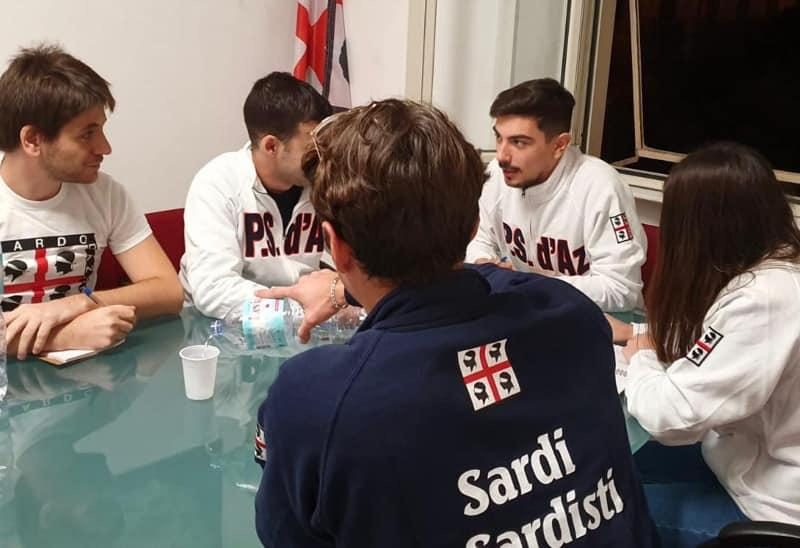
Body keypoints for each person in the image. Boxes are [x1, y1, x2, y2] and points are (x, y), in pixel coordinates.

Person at [253, 99, 658, 547]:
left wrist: (344, 284)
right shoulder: (571, 315)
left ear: (336, 247)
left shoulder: (314, 399)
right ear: (472, 227)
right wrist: (344, 288)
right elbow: (492, 281)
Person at [614, 142, 800, 545]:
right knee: (611, 459)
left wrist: (641, 357)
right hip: (736, 458)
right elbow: (711, 346)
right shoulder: (772, 271)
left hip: (769, 508)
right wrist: (638, 335)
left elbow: (671, 417)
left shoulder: (764, 301)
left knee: (602, 508)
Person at [0, 44, 182, 360]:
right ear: (32, 140)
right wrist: (63, 336)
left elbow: (169, 291)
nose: (105, 148)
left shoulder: (105, 194)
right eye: (87, 134)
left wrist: (82, 302)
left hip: (89, 376)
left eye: (101, 130)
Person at [466, 78, 646, 312]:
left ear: (560, 145)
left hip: (596, 319)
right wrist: (483, 264)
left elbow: (621, 291)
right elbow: (480, 239)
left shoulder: (601, 187)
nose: (502, 156)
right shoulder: (497, 175)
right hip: (528, 308)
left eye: (519, 142)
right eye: (499, 138)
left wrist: (531, 284)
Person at [179, 72, 333, 320]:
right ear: (271, 146)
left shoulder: (323, 180)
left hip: (302, 323)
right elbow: (214, 290)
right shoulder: (217, 183)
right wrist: (305, 306)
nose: (323, 156)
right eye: (312, 148)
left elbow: (359, 261)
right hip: (217, 328)